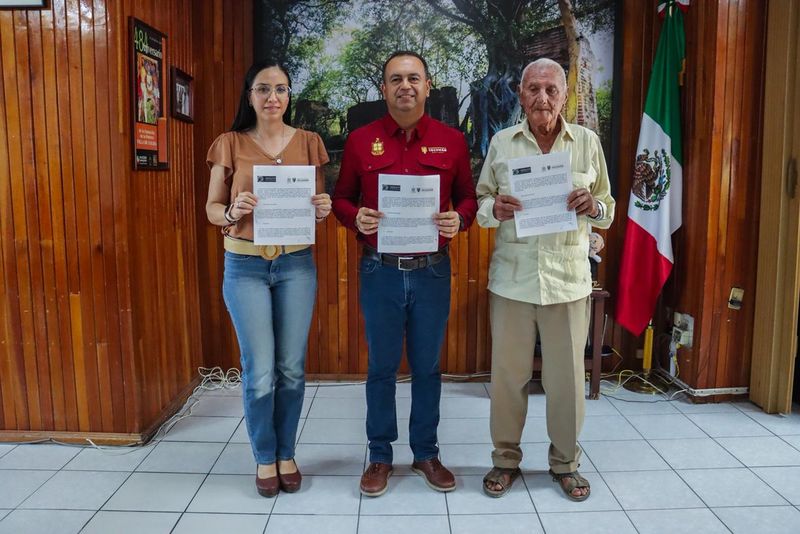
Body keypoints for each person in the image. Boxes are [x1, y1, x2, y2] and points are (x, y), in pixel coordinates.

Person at [332, 51, 478, 497]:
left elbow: (468, 199)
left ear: (428, 85)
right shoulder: (361, 141)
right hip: (381, 271)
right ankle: (379, 455)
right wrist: (355, 218)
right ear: (384, 89)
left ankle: (426, 453)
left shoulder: (452, 141)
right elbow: (341, 200)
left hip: (433, 272)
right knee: (380, 367)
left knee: (428, 367)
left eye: (413, 78)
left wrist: (461, 220)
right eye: (396, 79)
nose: (405, 86)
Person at [476, 58, 615, 501]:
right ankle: (504, 460)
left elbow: (608, 208)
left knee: (567, 380)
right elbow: (480, 202)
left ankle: (565, 464)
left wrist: (592, 207)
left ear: (565, 95)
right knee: (507, 377)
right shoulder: (502, 143)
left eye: (551, 89)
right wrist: (492, 209)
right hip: (513, 280)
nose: (543, 98)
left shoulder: (587, 144)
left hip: (568, 280)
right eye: (533, 89)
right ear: (520, 94)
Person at [205, 60, 331, 498]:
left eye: (280, 88)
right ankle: (264, 456)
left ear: (289, 94)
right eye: (263, 89)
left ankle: (286, 453)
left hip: (296, 265)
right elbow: (212, 209)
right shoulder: (230, 143)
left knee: (291, 369)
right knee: (259, 371)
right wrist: (232, 212)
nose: (272, 97)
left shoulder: (310, 143)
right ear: (250, 95)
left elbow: (316, 202)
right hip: (246, 267)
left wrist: (322, 208)